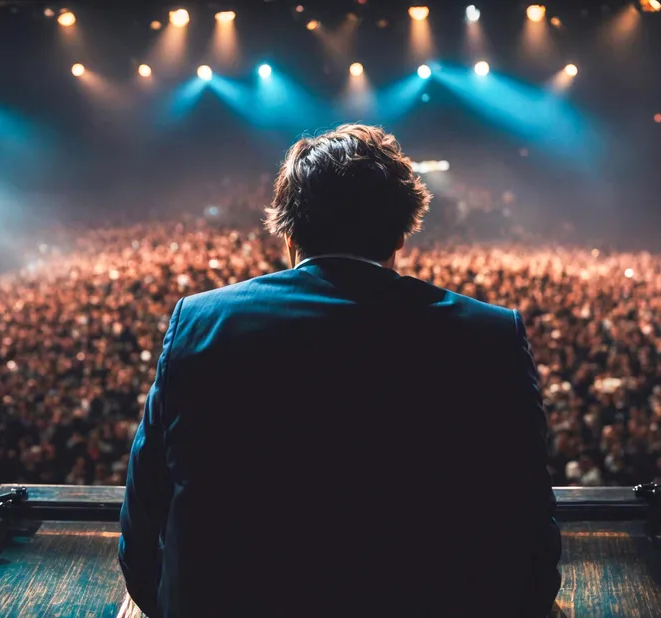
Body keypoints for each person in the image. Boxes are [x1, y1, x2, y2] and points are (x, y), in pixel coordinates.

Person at [119, 124, 561, 618]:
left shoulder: (200, 320)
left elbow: (145, 509)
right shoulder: (491, 334)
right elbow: (529, 514)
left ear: (288, 232)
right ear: (400, 233)